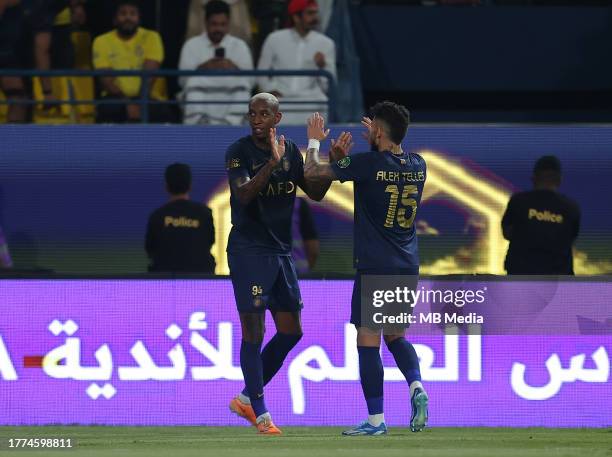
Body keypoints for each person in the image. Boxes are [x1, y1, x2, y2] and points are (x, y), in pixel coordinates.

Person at [225, 92, 349, 434]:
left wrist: (333, 164)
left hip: (280, 253)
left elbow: (316, 193)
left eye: (264, 114)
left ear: (277, 119)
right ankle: (261, 414)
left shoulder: (291, 150)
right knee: (254, 330)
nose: (256, 119)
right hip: (248, 250)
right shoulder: (239, 152)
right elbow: (243, 195)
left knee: (291, 331)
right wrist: (270, 163)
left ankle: (247, 397)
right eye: (252, 113)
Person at [303, 104, 429, 435]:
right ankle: (416, 385)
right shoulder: (419, 165)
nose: (368, 130)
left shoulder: (369, 163)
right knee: (396, 336)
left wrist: (316, 144)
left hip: (375, 265)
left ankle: (376, 421)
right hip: (407, 264)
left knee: (368, 341)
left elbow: (314, 175)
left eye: (373, 127)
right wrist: (344, 158)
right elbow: (363, 169)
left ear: (380, 133)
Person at [257, 0, 336, 125]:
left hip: (311, 101)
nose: (315, 17)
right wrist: (270, 90)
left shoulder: (326, 43)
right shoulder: (274, 39)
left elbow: (329, 84)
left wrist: (322, 66)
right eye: (310, 13)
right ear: (296, 17)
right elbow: (261, 73)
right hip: (281, 98)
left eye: (316, 13)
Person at [92, 0, 170, 123]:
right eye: (123, 14)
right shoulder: (101, 41)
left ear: (139, 19)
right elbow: (106, 80)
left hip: (146, 96)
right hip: (116, 98)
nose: (128, 17)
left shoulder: (152, 37)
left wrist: (139, 102)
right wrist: (127, 103)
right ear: (115, 20)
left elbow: (149, 76)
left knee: (161, 110)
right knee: (109, 108)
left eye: (132, 14)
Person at [178, 0, 253, 125]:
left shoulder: (240, 45)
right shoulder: (191, 45)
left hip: (230, 94)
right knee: (193, 83)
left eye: (223, 24)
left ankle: (231, 123)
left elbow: (251, 82)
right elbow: (182, 80)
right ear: (206, 23)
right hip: (203, 93)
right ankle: (200, 124)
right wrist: (204, 67)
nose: (218, 29)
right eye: (214, 24)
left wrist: (233, 67)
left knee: (243, 86)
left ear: (228, 24)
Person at [502, 155, 580, 275]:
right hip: (558, 278)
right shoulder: (571, 207)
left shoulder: (518, 202)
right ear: (559, 180)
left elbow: (507, 233)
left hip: (520, 275)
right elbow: (571, 237)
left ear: (534, 178)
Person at [145, 163, 216, 273]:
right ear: (190, 186)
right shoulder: (204, 214)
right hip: (200, 279)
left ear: (167, 186)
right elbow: (210, 242)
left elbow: (150, 250)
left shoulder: (157, 216)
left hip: (165, 280)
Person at [291, 197, 319, 273]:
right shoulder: (298, 204)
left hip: (264, 274)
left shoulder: (259, 202)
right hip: (298, 275)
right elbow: (313, 250)